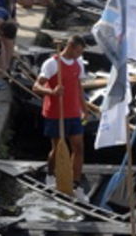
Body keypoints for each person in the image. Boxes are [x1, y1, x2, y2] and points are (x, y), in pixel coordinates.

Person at [32, 35, 88, 193]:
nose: (79, 55)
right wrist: (52, 92)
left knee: (78, 147)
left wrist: (84, 109)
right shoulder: (52, 64)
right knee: (57, 149)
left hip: (73, 112)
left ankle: (75, 183)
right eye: (78, 51)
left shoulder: (78, 63)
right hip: (56, 113)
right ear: (70, 47)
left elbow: (78, 87)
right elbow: (36, 87)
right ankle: (50, 175)